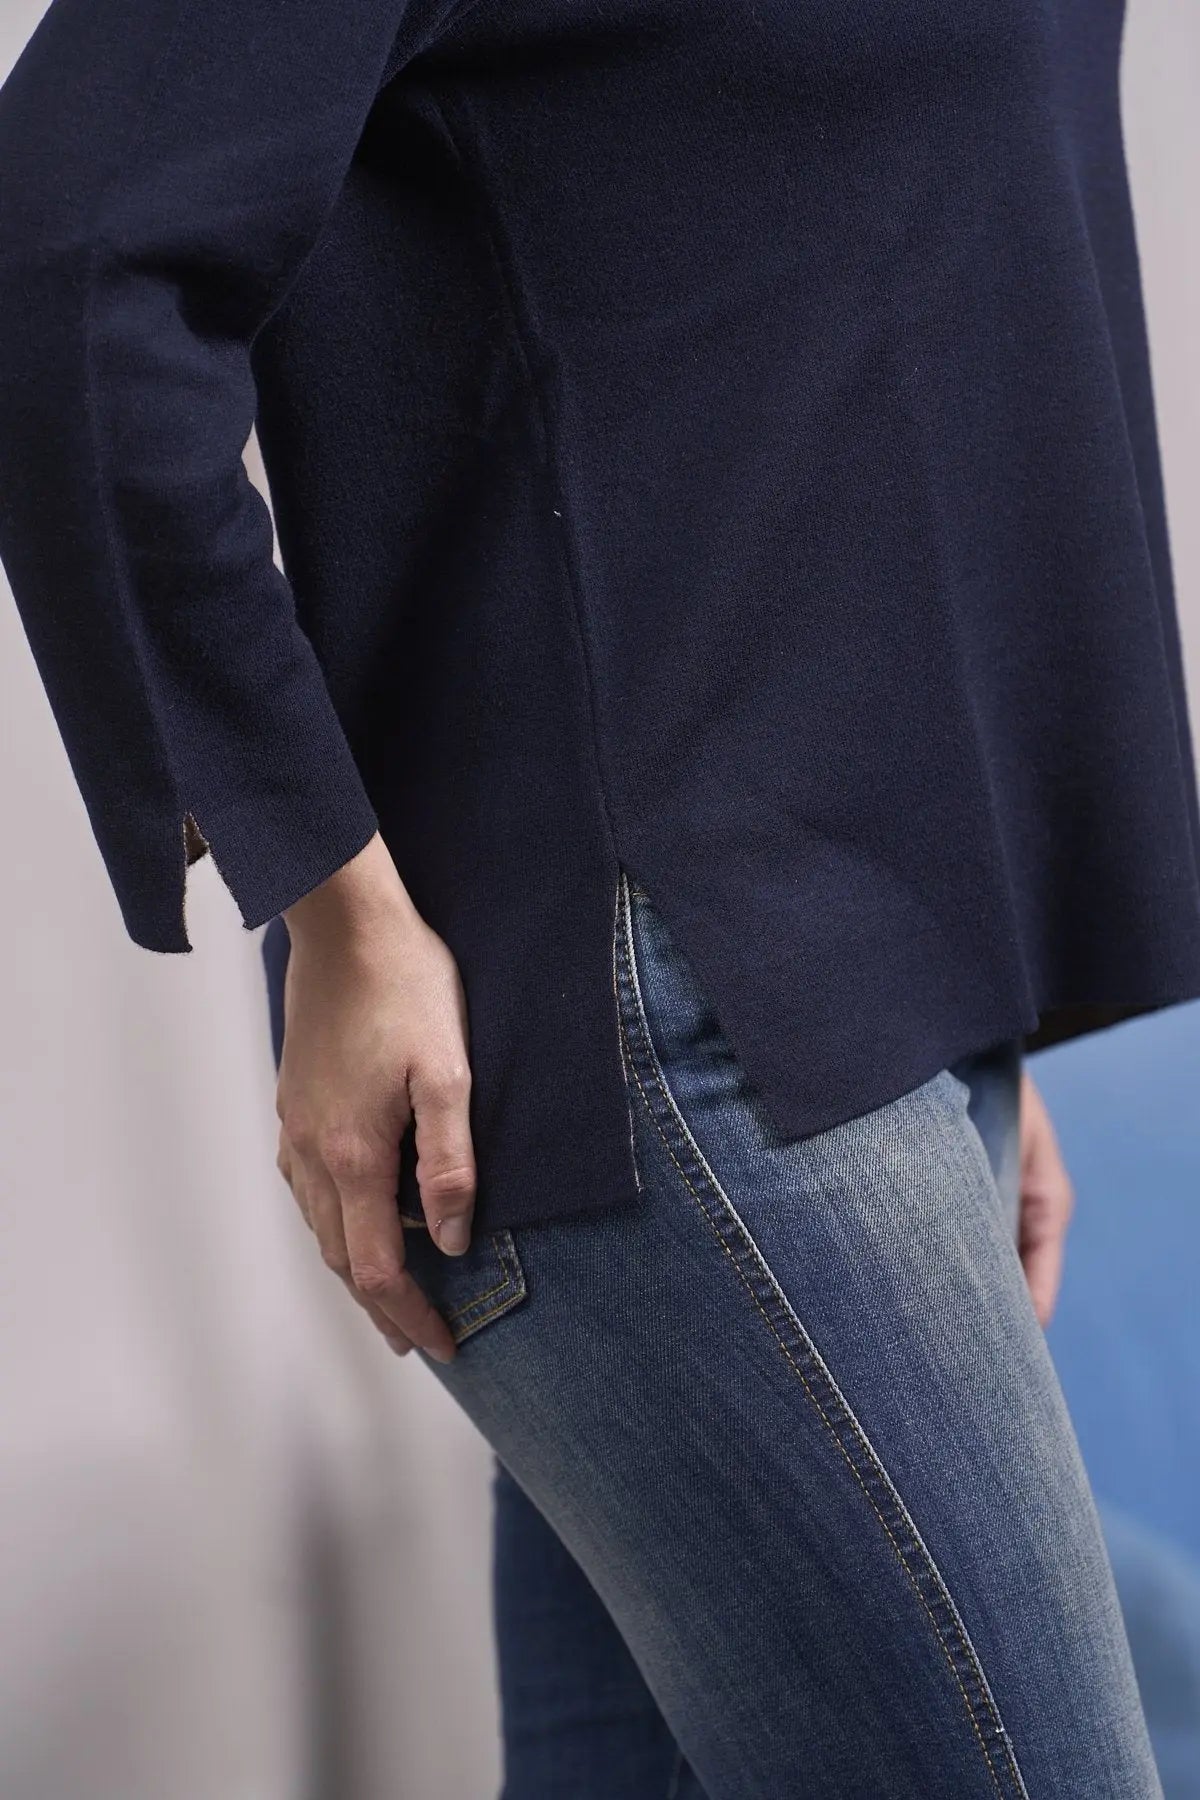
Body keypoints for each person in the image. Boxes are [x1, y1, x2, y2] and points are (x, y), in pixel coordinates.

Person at [1, 1, 1198, 1793]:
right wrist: (335, 903)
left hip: (878, 969)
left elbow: (893, 269)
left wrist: (968, 970)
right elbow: (63, 243)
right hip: (671, 1012)